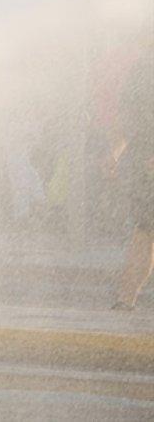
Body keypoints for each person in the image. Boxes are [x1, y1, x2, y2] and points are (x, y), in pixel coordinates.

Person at [113, 40, 153, 311]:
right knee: (145, 231)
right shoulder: (143, 70)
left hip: (145, 160)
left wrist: (115, 152)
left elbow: (127, 118)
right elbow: (131, 117)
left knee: (145, 231)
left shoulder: (141, 69)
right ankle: (126, 298)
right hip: (146, 161)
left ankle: (126, 299)